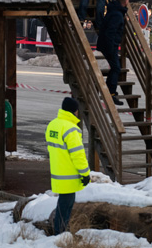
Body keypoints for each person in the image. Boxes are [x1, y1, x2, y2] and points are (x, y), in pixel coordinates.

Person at [45, 97, 90, 235]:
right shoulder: (71, 129)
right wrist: (85, 173)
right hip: (69, 175)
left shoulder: (53, 124)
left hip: (57, 172)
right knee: (66, 206)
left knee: (63, 204)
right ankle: (60, 233)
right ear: (74, 111)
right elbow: (78, 154)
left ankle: (61, 231)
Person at [96, 0, 129, 105]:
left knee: (116, 67)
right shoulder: (117, 14)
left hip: (109, 44)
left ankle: (111, 91)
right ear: (125, 1)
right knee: (116, 68)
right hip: (109, 45)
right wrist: (111, 47)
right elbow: (111, 32)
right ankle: (111, 93)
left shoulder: (114, 11)